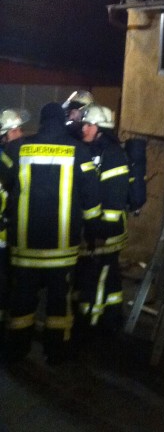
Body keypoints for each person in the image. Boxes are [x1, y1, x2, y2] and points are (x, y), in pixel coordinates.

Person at [0, 102, 101, 364]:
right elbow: (91, 197)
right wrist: (93, 231)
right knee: (59, 302)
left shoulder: (18, 148)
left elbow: (4, 181)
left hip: (25, 245)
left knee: (22, 299)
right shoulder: (79, 151)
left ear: (42, 121)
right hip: (62, 247)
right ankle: (56, 353)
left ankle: (17, 350)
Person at [75, 104, 130, 337]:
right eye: (84, 124)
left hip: (107, 230)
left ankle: (93, 324)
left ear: (101, 129)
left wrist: (102, 230)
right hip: (93, 229)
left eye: (89, 125)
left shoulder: (113, 155)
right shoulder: (91, 151)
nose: (84, 129)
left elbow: (114, 197)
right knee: (107, 275)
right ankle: (112, 316)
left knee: (99, 276)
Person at [0, 110, 29, 329]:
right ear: (4, 136)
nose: (19, 134)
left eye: (20, 130)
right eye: (14, 131)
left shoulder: (12, 155)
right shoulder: (5, 158)